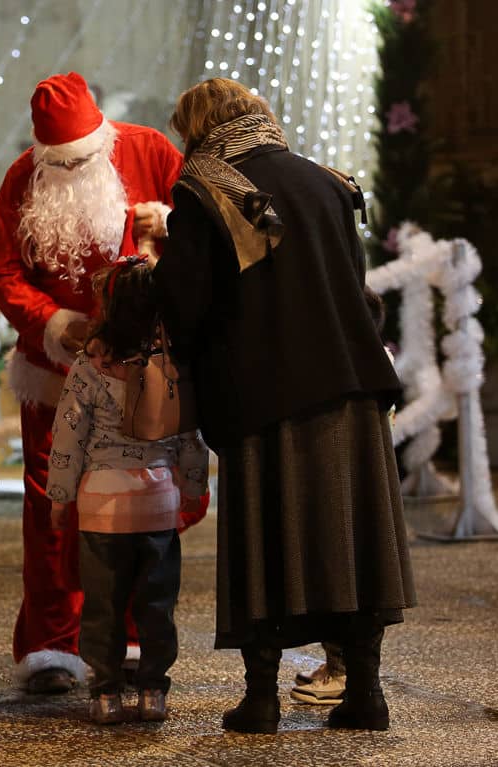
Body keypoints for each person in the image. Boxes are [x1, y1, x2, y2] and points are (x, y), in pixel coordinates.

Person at [153, 78, 416, 733]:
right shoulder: (327, 181)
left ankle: (261, 700)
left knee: (266, 544)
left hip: (266, 394)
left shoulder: (206, 188)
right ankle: (366, 694)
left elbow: (184, 305)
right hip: (352, 387)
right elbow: (355, 286)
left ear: (198, 129)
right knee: (354, 543)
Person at [0, 71, 184, 694]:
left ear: (102, 141)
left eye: (81, 160)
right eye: (60, 163)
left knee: (140, 501)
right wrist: (53, 323)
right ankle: (51, 643)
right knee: (52, 503)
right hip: (54, 374)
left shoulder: (150, 151)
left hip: (137, 370)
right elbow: (4, 272)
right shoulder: (21, 178)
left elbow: (198, 240)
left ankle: (132, 636)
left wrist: (163, 234)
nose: (71, 171)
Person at [45, 259, 209, 724]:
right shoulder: (172, 363)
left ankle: (105, 693)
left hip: (101, 507)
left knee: (103, 606)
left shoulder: (89, 365)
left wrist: (60, 497)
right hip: (158, 506)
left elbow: (68, 436)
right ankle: (153, 690)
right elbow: (189, 435)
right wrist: (193, 486)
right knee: (156, 605)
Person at [290, 286, 392, 708]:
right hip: (366, 482)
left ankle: (341, 671)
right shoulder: (377, 359)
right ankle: (340, 666)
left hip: (346, 480)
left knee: (340, 576)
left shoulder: (350, 365)